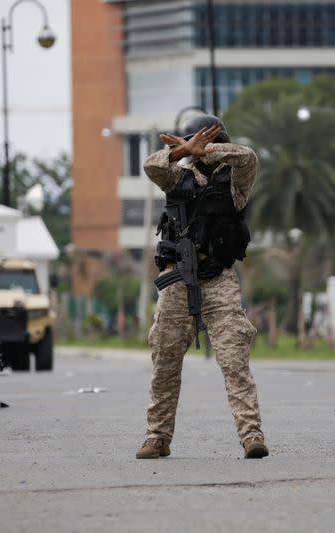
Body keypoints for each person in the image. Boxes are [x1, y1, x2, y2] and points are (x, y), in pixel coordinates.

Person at [136, 114, 268, 460]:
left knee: (233, 359)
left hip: (218, 280)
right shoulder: (176, 175)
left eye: (210, 140)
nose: (200, 147)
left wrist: (208, 150)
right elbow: (151, 165)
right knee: (164, 359)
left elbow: (248, 157)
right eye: (195, 141)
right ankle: (157, 436)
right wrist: (183, 153)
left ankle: (251, 434)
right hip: (177, 279)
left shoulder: (235, 182)